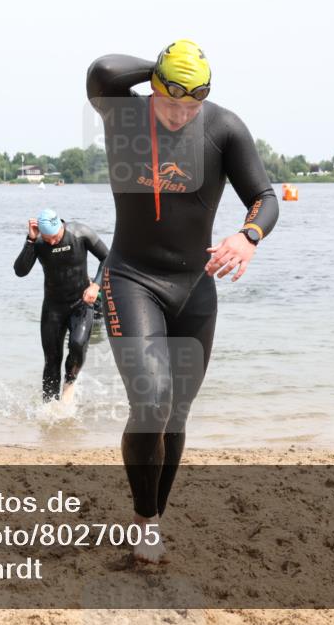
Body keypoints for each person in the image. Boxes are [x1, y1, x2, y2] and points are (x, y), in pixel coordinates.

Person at [87, 40, 279, 563]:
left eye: (191, 105)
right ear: (153, 88)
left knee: (175, 416)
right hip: (130, 276)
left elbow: (265, 197)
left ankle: (152, 519)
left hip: (194, 287)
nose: (180, 114)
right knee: (151, 403)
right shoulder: (122, 112)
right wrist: (163, 69)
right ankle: (146, 523)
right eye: (172, 101)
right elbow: (102, 69)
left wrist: (248, 237)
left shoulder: (223, 128)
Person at [14, 209, 108, 403]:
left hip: (81, 303)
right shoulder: (38, 242)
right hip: (53, 308)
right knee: (51, 360)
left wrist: (96, 285)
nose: (52, 242)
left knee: (77, 344)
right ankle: (49, 409)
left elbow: (108, 258)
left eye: (55, 237)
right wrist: (30, 240)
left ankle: (70, 383)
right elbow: (20, 271)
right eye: (47, 238)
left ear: (61, 227)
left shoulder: (80, 233)